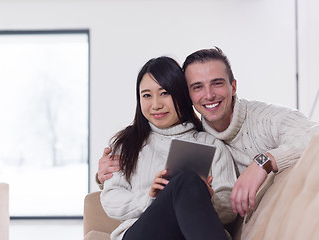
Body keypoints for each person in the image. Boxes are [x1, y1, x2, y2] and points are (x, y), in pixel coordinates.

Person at [97, 47, 319, 219]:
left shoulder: (256, 123)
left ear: (233, 87)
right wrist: (105, 177)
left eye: (217, 83)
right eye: (197, 87)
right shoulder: (187, 134)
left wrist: (262, 162)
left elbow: (314, 135)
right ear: (188, 94)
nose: (209, 95)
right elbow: (119, 191)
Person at [100, 56, 237, 240]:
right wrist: (148, 198)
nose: (156, 105)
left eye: (164, 93)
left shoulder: (211, 145)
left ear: (181, 94)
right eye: (147, 95)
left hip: (190, 233)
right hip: (141, 234)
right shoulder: (126, 144)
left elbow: (229, 209)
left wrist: (203, 197)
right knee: (185, 180)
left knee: (187, 182)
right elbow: (110, 200)